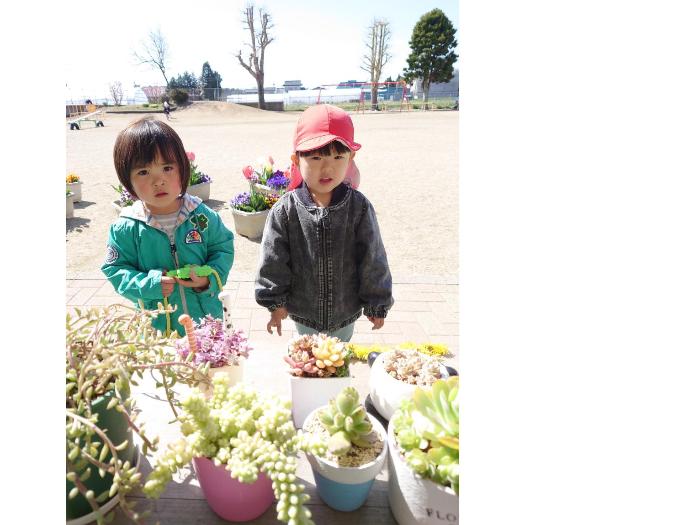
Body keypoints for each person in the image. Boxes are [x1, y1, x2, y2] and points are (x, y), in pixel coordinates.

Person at [254, 104, 393, 342]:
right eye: (316, 157)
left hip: (345, 311)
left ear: (351, 157)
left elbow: (373, 257)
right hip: (303, 312)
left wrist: (376, 302)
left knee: (337, 361)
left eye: (338, 157)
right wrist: (274, 303)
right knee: (308, 363)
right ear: (296, 160)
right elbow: (273, 260)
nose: (327, 168)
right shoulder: (285, 210)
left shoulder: (358, 207)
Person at [102, 117, 234, 336]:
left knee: (210, 369)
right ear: (128, 181)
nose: (158, 180)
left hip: (206, 322)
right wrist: (149, 284)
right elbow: (115, 270)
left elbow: (223, 248)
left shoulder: (202, 216)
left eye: (167, 167)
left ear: (182, 169)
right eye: (143, 172)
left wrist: (208, 279)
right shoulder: (126, 227)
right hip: (157, 328)